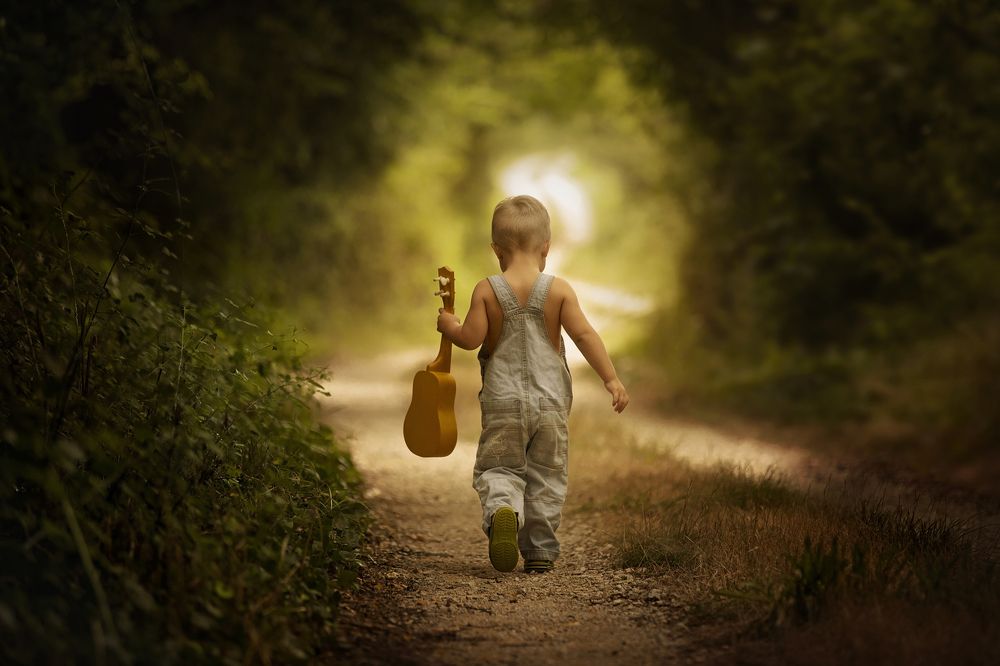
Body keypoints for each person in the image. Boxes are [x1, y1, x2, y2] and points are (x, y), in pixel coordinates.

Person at [436, 194, 629, 574]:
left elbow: (471, 339)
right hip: (551, 404)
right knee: (546, 473)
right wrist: (611, 379)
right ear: (546, 248)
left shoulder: (486, 289)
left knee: (500, 467)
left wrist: (449, 326)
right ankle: (539, 549)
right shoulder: (559, 291)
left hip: (503, 402)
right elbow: (584, 335)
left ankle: (503, 510)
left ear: (497, 250)